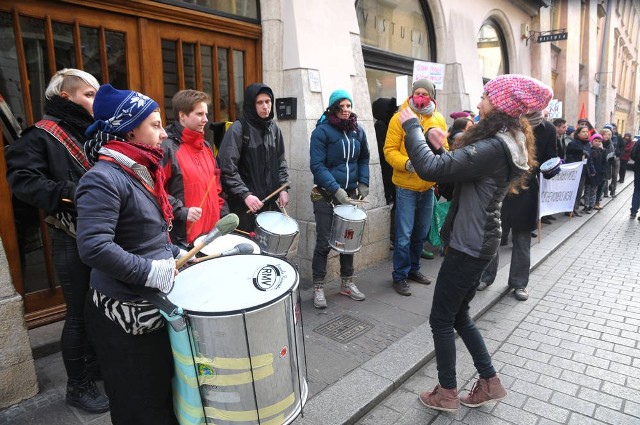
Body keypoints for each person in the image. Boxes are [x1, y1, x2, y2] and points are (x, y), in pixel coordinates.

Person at [399, 74, 551, 412]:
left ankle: (446, 393)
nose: (479, 102)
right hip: (480, 241)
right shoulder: (506, 140)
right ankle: (490, 382)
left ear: (500, 106)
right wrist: (445, 147)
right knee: (460, 316)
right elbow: (461, 173)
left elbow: (429, 169)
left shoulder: (495, 146)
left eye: (485, 96)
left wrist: (412, 128)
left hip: (470, 245)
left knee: (441, 319)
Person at [5, 69, 109, 413]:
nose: (95, 101)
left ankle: (92, 368)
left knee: (96, 308)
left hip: (99, 233)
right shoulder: (40, 135)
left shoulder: (91, 131)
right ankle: (77, 387)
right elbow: (23, 183)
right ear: (66, 97)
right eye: (88, 95)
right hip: (69, 236)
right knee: (78, 313)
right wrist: (72, 192)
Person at [76, 84, 181, 425]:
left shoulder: (139, 170)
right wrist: (150, 271)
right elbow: (94, 247)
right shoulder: (103, 178)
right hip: (123, 313)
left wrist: (175, 252)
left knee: (158, 395)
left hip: (148, 305)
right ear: (129, 129)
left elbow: (144, 232)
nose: (164, 133)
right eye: (155, 124)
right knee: (138, 405)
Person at [478, 109, 556, 301]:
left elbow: (550, 158)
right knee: (493, 236)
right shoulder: (507, 122)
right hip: (501, 187)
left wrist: (551, 169)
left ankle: (519, 284)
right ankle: (486, 277)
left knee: (522, 240)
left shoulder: (548, 129)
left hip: (526, 190)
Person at [384, 79, 447, 297]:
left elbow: (444, 148)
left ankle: (414, 270)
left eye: (424, 93)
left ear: (431, 96)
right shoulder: (398, 118)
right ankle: (399, 276)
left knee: (420, 234)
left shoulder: (438, 118)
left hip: (427, 187)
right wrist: (408, 163)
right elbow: (389, 150)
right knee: (404, 235)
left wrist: (438, 163)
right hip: (406, 186)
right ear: (411, 94)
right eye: (417, 93)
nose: (420, 97)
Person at [309, 89, 369, 309]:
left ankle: (346, 283)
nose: (345, 110)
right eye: (341, 106)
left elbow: (364, 158)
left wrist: (363, 182)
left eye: (348, 106)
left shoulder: (358, 131)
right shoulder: (321, 132)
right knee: (324, 242)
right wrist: (335, 190)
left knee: (348, 243)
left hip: (350, 195)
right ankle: (318, 287)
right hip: (325, 195)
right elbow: (317, 166)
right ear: (333, 108)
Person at [218, 83, 289, 231]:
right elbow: (227, 169)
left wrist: (283, 188)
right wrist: (245, 195)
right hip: (244, 207)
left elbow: (281, 161)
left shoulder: (274, 129)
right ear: (251, 104)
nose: (265, 106)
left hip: (269, 204)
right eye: (260, 102)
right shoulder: (238, 129)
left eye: (268, 102)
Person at [162, 89, 227, 247]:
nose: (205, 119)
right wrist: (182, 211)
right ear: (182, 116)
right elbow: (154, 190)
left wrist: (224, 221)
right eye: (199, 114)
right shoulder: (166, 148)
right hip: (184, 242)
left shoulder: (206, 147)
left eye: (205, 114)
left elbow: (217, 188)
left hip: (211, 238)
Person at [372, 97, 397, 249]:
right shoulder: (381, 125)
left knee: (393, 203)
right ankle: (390, 235)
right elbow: (384, 148)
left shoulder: (385, 124)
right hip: (387, 172)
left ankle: (392, 234)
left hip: (389, 172)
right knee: (389, 202)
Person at [564, 124, 591, 217]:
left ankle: (575, 208)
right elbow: (569, 157)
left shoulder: (587, 143)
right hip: (574, 171)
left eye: (587, 132)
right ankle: (568, 209)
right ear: (578, 133)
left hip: (583, 170)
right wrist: (580, 154)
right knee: (572, 190)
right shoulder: (573, 143)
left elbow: (589, 157)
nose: (585, 134)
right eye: (583, 132)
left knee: (579, 191)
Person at [583, 133, 606, 212]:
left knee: (593, 191)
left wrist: (602, 173)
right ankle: (586, 205)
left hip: (598, 174)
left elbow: (604, 163)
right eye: (595, 140)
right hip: (589, 174)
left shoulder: (603, 151)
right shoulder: (589, 150)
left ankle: (591, 205)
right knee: (587, 190)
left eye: (599, 141)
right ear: (592, 141)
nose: (597, 142)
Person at [600, 127, 616, 199]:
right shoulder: (599, 142)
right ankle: (601, 194)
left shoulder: (610, 144)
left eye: (608, 135)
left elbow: (612, 155)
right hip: (599, 163)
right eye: (605, 134)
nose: (607, 136)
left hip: (607, 164)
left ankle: (605, 193)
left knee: (605, 178)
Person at [629, 139, 640, 220]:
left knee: (637, 190)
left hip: (638, 170)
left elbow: (632, 155)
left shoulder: (639, 142)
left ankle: (633, 211)